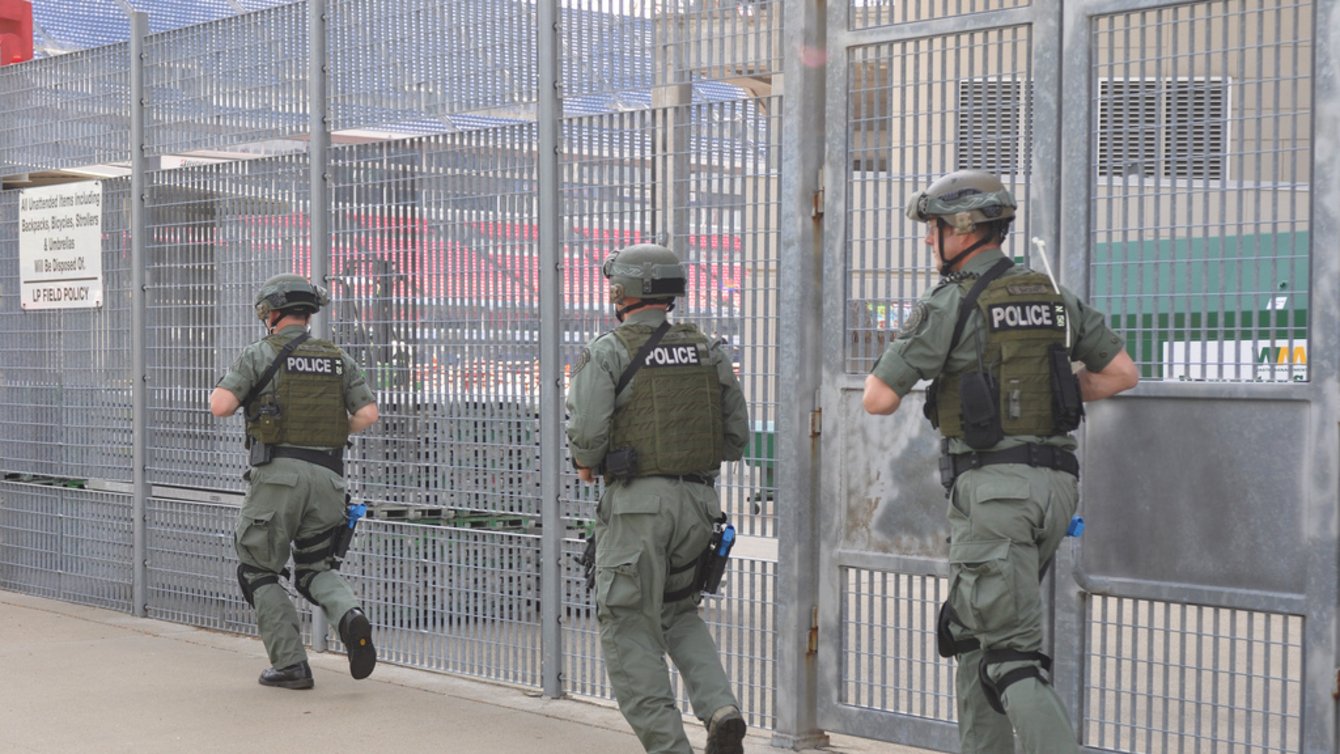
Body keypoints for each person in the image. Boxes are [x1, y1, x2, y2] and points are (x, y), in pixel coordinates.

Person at [862, 170, 1139, 754]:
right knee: (971, 635)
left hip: (994, 495)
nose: (925, 240)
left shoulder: (951, 300)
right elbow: (1121, 374)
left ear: (961, 229)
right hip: (1056, 487)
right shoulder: (1050, 295)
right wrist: (1051, 388)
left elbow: (878, 398)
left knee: (1010, 656)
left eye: (931, 228)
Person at [565, 243, 751, 754]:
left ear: (623, 293)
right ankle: (721, 709)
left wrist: (589, 463)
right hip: (700, 506)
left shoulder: (607, 350)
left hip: (637, 509)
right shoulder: (708, 349)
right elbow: (737, 437)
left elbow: (586, 435)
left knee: (626, 627)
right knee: (678, 612)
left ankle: (671, 748)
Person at [209, 273, 381, 690]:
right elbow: (368, 414)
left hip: (277, 479)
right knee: (314, 567)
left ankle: (291, 665)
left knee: (258, 570)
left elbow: (220, 406)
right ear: (307, 315)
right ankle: (349, 616)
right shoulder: (338, 358)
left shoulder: (259, 353)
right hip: (328, 478)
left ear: (272, 314)